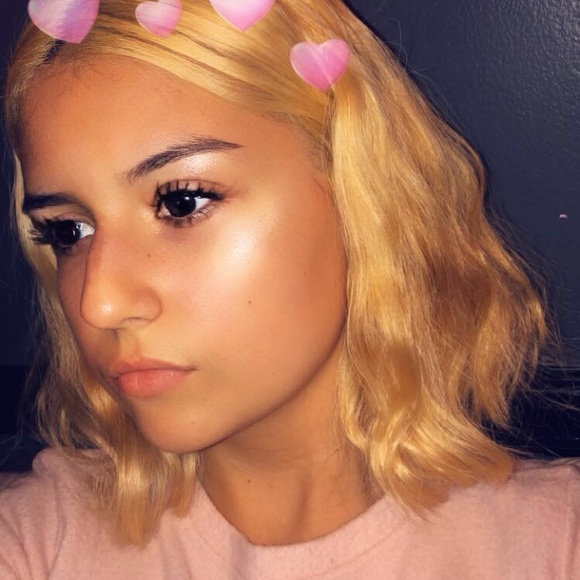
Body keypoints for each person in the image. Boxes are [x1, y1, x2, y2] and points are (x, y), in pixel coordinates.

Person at [0, 0, 578, 577]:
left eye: (182, 202)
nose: (99, 303)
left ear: (361, 195)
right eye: (68, 231)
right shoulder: (35, 543)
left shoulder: (555, 544)